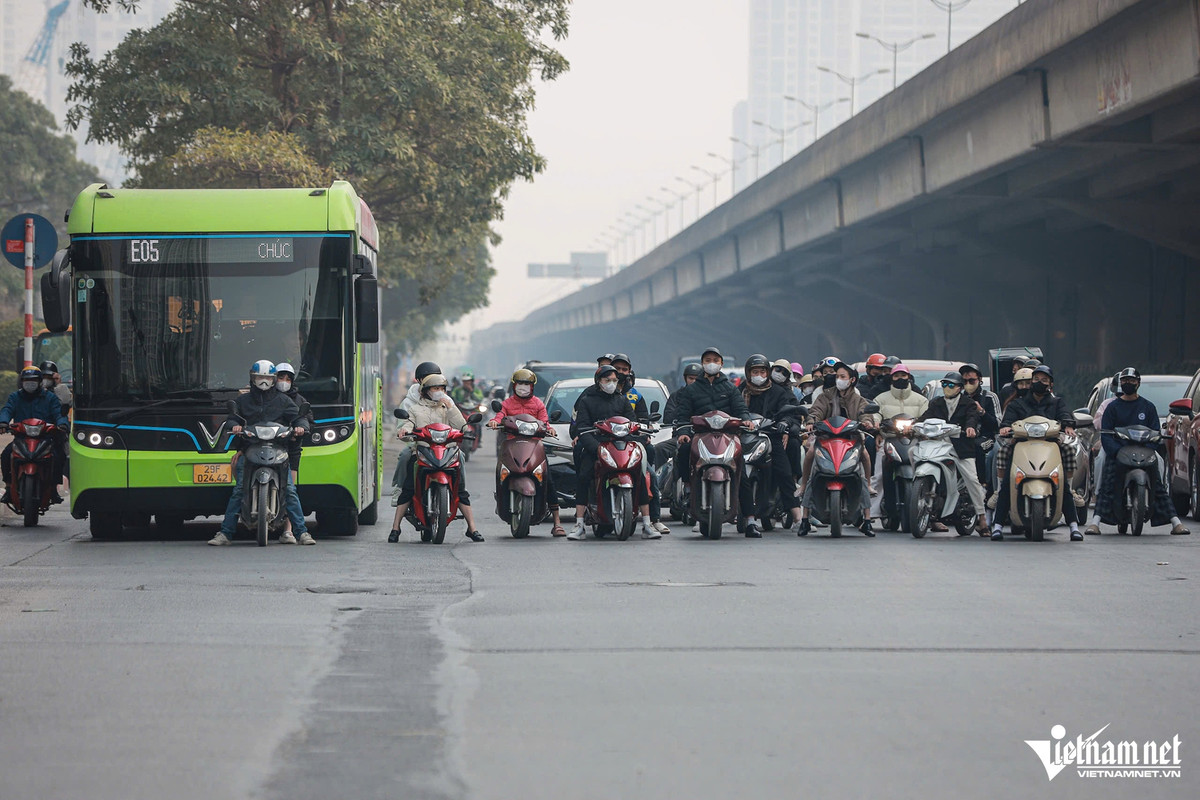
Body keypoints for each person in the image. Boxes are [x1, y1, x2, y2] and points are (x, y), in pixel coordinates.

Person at [209, 360, 312, 545]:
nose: (263, 381)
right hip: (250, 450)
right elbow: (232, 419)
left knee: (289, 489)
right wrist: (235, 426)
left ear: (273, 379)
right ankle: (225, 533)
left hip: (278, 450)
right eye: (259, 377)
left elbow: (299, 417)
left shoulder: (283, 401)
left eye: (267, 377)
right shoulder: (243, 401)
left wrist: (300, 427)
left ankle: (302, 532)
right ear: (252, 378)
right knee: (239, 489)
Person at [1087, 368, 1190, 535]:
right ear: (1121, 384)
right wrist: (1117, 452)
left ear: (1138, 383)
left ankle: (1175, 522)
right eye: (1125, 381)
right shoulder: (1112, 408)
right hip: (1119, 452)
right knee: (1108, 480)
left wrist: (1150, 450)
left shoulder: (1148, 407)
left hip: (1144, 451)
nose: (1128, 384)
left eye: (1132, 381)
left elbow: (1155, 433)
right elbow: (1106, 435)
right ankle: (1096, 522)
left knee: (1158, 477)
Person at [567, 365, 660, 540]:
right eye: (607, 380)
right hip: (597, 445)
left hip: (622, 446)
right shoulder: (587, 400)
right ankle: (579, 524)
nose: (611, 384)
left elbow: (633, 424)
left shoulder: (622, 400)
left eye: (614, 380)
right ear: (598, 381)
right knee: (584, 475)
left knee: (640, 474)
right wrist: (595, 448)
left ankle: (647, 523)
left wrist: (638, 438)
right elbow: (582, 428)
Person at [389, 373, 484, 543]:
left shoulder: (447, 407)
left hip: (447, 451)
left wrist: (451, 407)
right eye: (435, 388)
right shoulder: (415, 409)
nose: (439, 392)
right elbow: (408, 424)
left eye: (441, 389)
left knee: (460, 490)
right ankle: (395, 528)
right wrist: (404, 431)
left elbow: (461, 425)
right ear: (425, 391)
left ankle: (472, 528)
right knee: (408, 489)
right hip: (423, 451)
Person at [991, 365, 1082, 541]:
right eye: (1036, 379)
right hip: (1021, 445)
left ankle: (1073, 523)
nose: (1039, 382)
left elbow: (1065, 415)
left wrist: (1068, 425)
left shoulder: (1057, 402)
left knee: (1068, 455)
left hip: (1051, 445)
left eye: (1044, 380)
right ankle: (998, 523)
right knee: (1005, 461)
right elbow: (1007, 421)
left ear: (1051, 384)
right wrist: (1005, 428)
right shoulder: (1018, 403)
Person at [797, 359, 876, 536]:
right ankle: (804, 513)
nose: (838, 379)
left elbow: (866, 414)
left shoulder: (858, 399)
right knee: (811, 455)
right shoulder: (825, 395)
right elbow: (815, 411)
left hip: (851, 439)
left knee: (864, 455)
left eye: (843, 376)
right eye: (837, 376)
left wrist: (867, 423)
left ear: (852, 380)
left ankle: (867, 517)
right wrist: (811, 422)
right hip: (825, 439)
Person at [487, 368, 565, 536]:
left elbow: (544, 421)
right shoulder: (508, 403)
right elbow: (500, 415)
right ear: (514, 386)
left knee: (548, 480)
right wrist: (494, 421)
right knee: (502, 471)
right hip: (512, 444)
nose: (523, 387)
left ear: (532, 387)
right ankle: (500, 498)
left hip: (534, 446)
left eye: (527, 384)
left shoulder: (538, 404)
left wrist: (549, 429)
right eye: (520, 384)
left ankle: (557, 522)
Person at [740, 355, 803, 536]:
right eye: (754, 372)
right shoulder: (741, 391)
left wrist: (784, 423)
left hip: (771, 436)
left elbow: (790, 412)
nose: (758, 375)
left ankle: (798, 517)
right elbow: (732, 409)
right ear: (748, 373)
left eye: (762, 371)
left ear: (767, 373)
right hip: (745, 437)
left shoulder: (779, 392)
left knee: (784, 473)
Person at [919, 372, 989, 534]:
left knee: (971, 478)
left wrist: (970, 428)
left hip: (961, 447)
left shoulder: (969, 403)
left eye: (951, 385)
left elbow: (972, 418)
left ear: (960, 388)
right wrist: (913, 425)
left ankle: (982, 517)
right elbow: (924, 417)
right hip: (938, 445)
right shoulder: (936, 403)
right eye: (944, 385)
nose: (947, 388)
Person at [0, 366, 69, 504]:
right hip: (21, 439)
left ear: (39, 382)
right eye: (27, 380)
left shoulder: (50, 398)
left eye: (33, 380)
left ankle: (53, 489)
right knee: (6, 454)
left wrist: (62, 424)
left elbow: (58, 413)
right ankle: (8, 488)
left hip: (45, 439)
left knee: (58, 455)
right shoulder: (15, 397)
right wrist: (3, 422)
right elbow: (7, 410)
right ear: (21, 382)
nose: (30, 383)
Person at [870, 363, 928, 519]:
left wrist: (919, 427)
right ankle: (872, 512)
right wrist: (876, 424)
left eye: (903, 376)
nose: (900, 379)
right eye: (896, 376)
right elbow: (875, 414)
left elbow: (926, 417)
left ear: (909, 377)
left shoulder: (921, 400)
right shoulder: (880, 399)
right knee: (879, 475)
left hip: (914, 441)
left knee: (925, 472)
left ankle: (927, 509)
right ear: (891, 378)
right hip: (889, 440)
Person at [273, 363, 314, 544]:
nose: (284, 382)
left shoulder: (299, 401)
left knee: (290, 490)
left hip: (291, 451)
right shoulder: (267, 398)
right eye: (280, 378)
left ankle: (288, 530)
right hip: (268, 448)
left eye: (288, 379)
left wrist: (300, 429)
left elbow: (306, 420)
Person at [959, 362, 1001, 503]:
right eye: (965, 381)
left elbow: (998, 424)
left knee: (976, 446)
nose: (968, 384)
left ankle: (982, 484)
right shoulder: (959, 398)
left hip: (986, 437)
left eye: (972, 381)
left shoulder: (989, 397)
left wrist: (982, 412)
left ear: (979, 380)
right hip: (962, 437)